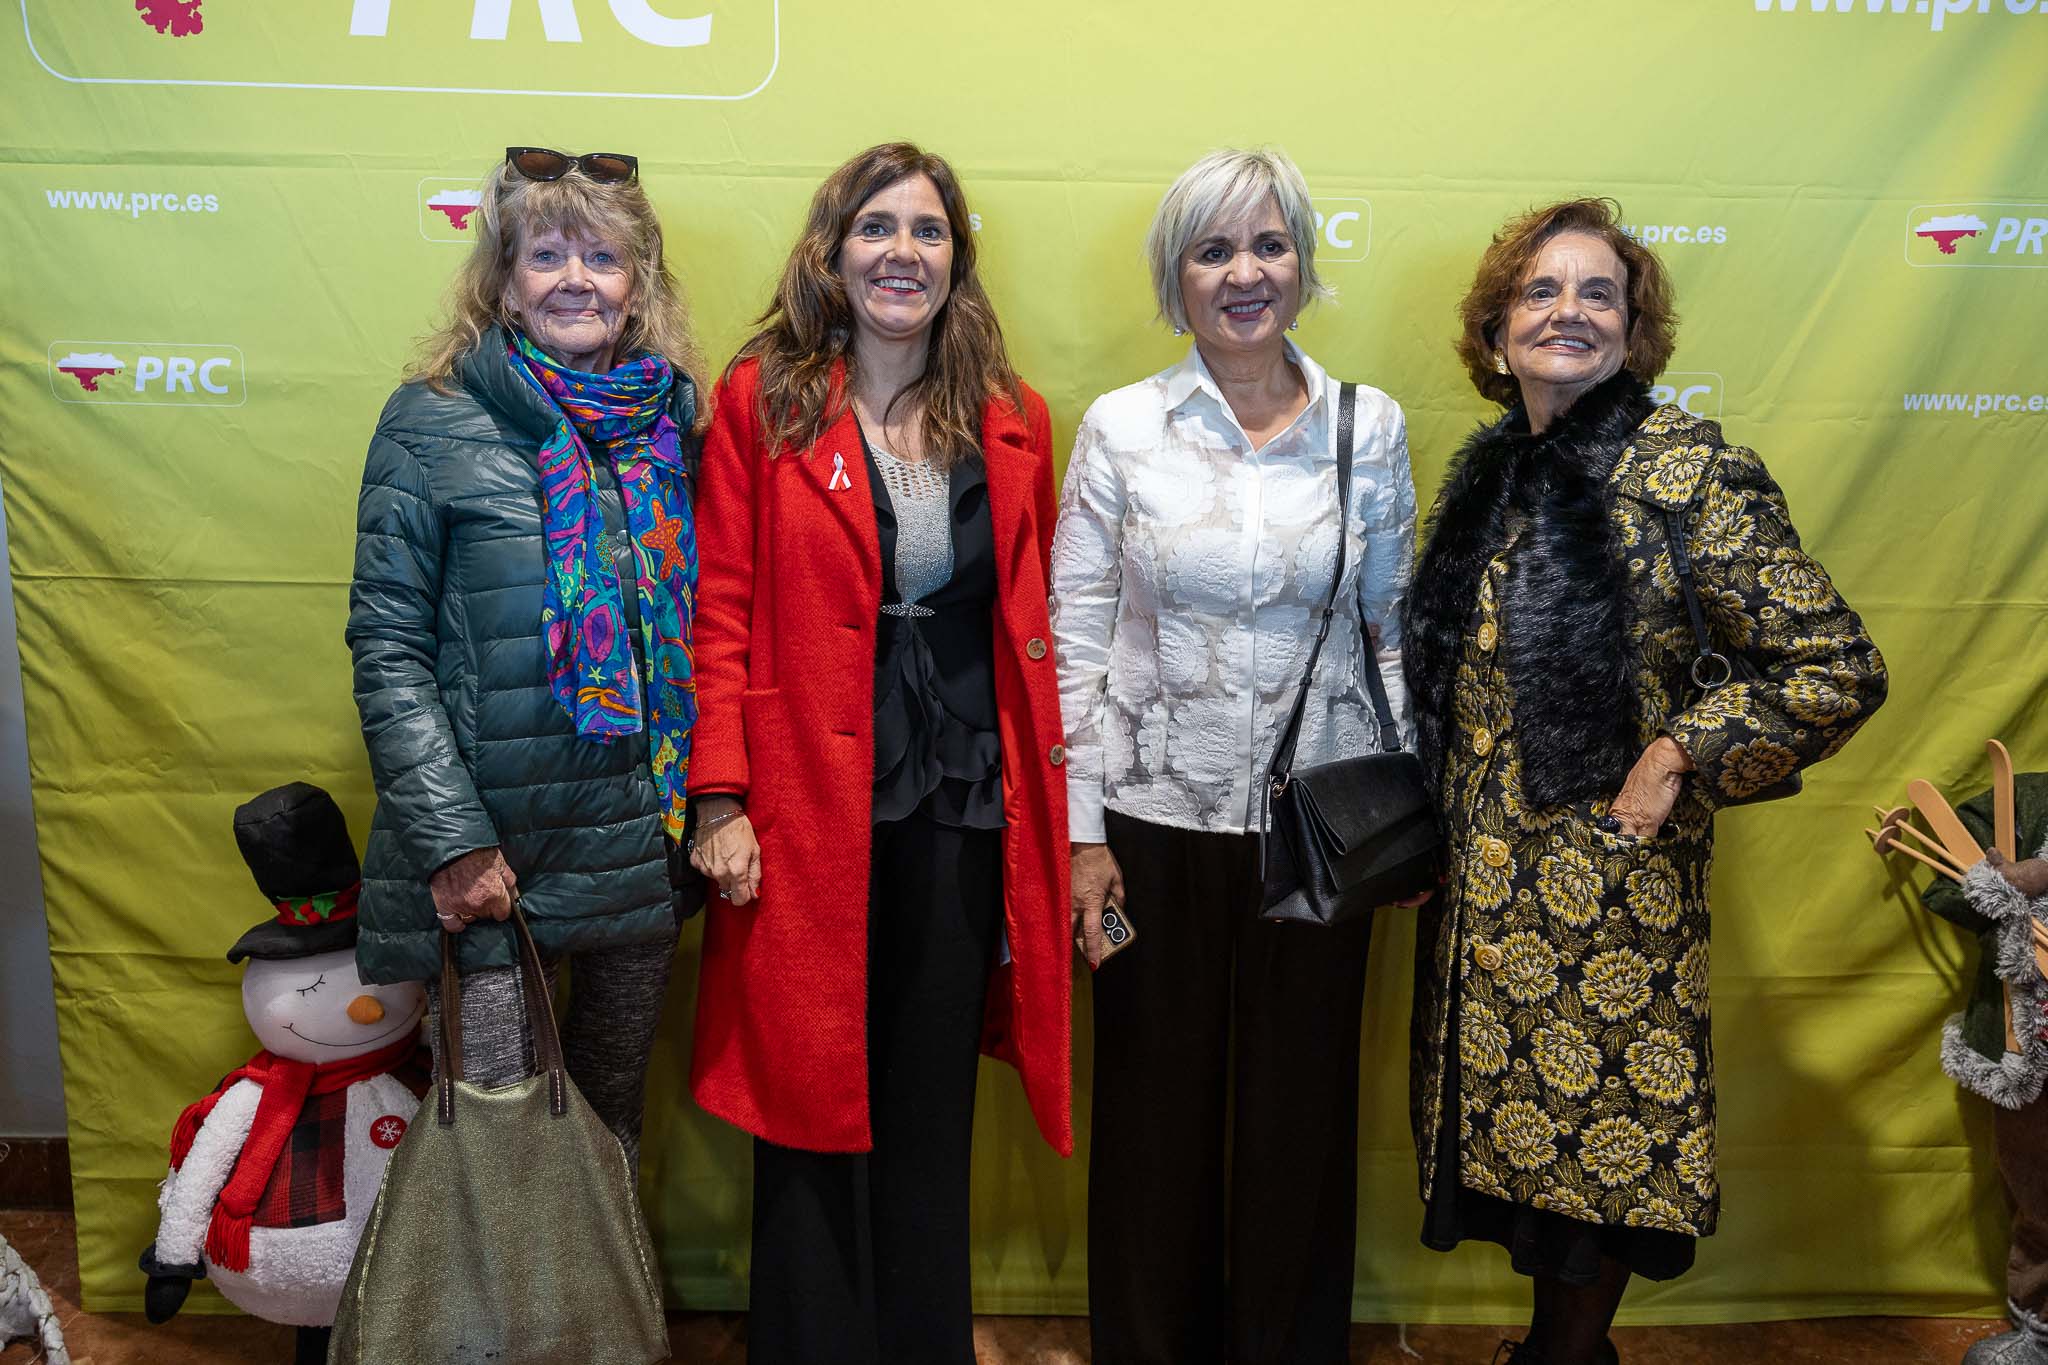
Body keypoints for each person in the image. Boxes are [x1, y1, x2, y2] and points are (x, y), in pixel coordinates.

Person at [1402, 197, 1888, 1365]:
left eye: (1595, 293)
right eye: (1538, 291)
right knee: (1524, 1157)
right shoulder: (1496, 478)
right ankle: (1546, 1351)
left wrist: (1680, 753)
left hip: (1612, 891)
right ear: (1492, 328)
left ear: (1632, 328)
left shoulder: (1688, 473)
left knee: (1600, 1149)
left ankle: (1568, 1359)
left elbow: (1835, 666)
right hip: (1479, 887)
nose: (1565, 311)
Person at [684, 141, 1072, 1365]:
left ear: (956, 260)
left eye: (927, 231)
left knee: (925, 1100)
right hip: (803, 799)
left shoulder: (1012, 417)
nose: (901, 252)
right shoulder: (763, 397)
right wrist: (719, 796)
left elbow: (1029, 624)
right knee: (802, 1089)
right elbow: (722, 606)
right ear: (831, 252)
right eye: (875, 228)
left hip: (962, 799)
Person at [1051, 146, 1417, 1365]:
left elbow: (1391, 630)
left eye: (1267, 246)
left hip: (1320, 836)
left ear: (1303, 266)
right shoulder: (1120, 428)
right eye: (1213, 250)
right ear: (1176, 278)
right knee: (1152, 1130)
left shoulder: (1370, 429)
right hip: (1152, 827)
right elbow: (1074, 643)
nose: (1243, 272)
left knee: (1296, 1131)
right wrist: (1083, 835)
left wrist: (1411, 809)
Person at [347, 147, 706, 1172]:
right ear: (501, 279)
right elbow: (388, 649)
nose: (575, 279)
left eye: (602, 255)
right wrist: (454, 845)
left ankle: (596, 1334)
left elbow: (698, 633)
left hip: (639, 857)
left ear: (638, 284)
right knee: (494, 1147)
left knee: (605, 1138)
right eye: (545, 254)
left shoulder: (674, 422)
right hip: (496, 869)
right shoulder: (432, 421)